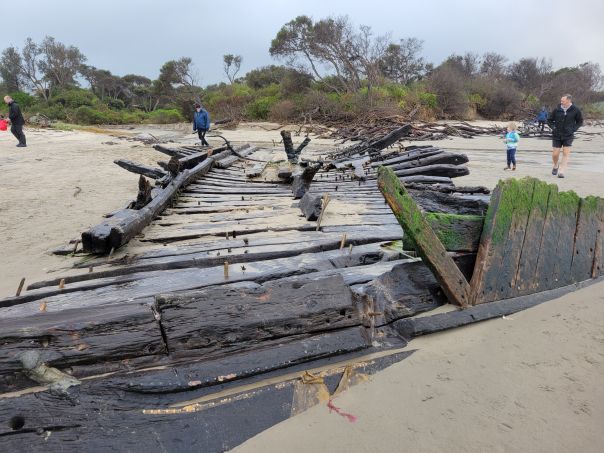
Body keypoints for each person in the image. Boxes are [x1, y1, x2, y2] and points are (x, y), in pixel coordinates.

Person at [548, 94, 583, 178]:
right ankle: (556, 165)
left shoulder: (576, 110)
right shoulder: (557, 109)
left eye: (563, 101)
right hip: (557, 134)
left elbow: (580, 121)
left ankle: (561, 171)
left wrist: (573, 129)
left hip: (568, 135)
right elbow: (549, 120)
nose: (561, 102)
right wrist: (553, 128)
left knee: (565, 153)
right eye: (561, 100)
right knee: (555, 154)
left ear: (569, 101)